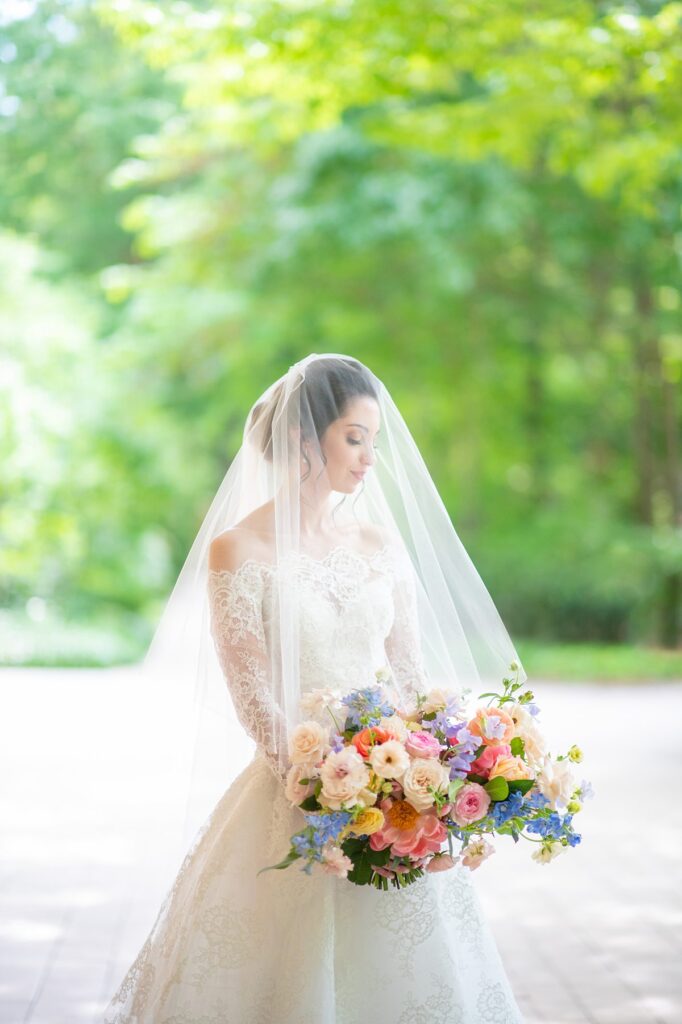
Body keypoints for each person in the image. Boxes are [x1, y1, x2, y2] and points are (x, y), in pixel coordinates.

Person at [103, 353, 526, 1023]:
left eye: (374, 442)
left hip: (396, 787)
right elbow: (251, 695)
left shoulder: (381, 546)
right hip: (293, 790)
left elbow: (412, 679)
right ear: (304, 439)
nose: (367, 459)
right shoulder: (238, 550)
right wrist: (321, 786)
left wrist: (435, 780)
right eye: (353, 438)